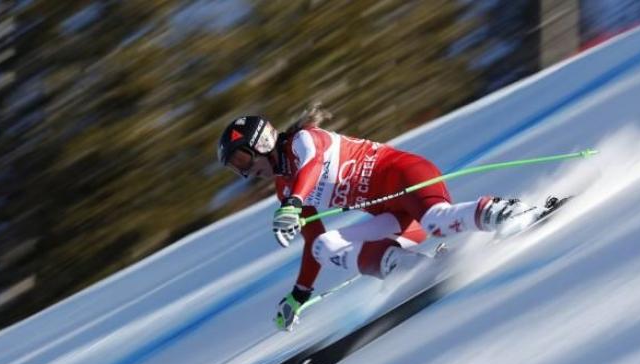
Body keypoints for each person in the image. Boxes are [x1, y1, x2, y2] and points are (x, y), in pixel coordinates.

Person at [217, 105, 536, 330]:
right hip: (392, 215)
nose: (245, 170)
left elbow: (312, 167)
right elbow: (314, 240)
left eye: (243, 158)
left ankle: (501, 211)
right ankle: (416, 269)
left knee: (435, 221)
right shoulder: (286, 188)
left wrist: (295, 203)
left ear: (262, 141)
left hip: (407, 176)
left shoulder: (303, 142)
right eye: (236, 167)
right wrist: (299, 294)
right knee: (325, 245)